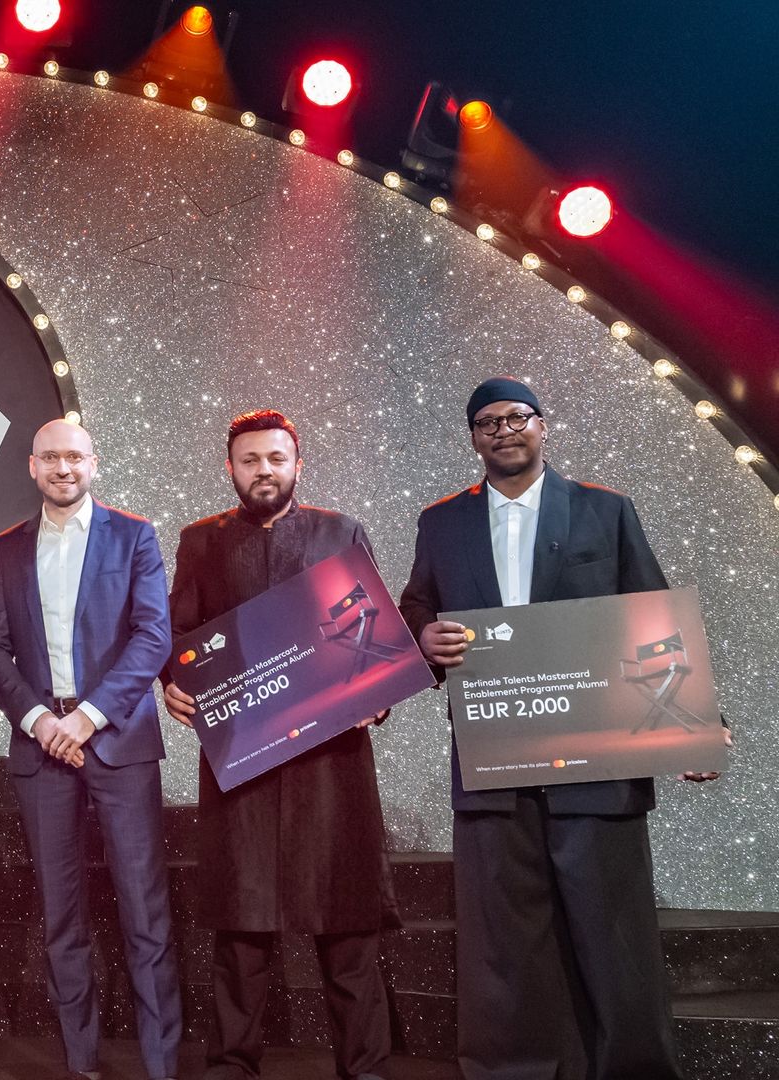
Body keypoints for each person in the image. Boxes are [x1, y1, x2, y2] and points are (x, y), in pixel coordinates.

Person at [399, 377, 724, 1080]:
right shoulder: (441, 523)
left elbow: (651, 615)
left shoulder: (605, 511)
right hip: (494, 756)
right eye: (486, 422)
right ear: (473, 438)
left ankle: (632, 1069)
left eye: (517, 417)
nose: (503, 430)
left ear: (542, 427)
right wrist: (423, 637)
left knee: (613, 935)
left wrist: (696, 723)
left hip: (597, 761)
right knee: (505, 940)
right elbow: (415, 608)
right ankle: (512, 1069)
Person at [160, 410, 397, 1080]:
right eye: (250, 460)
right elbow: (180, 633)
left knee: (347, 931)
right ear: (229, 468)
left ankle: (367, 1071)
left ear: (298, 463)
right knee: (242, 932)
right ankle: (231, 1068)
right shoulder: (200, 542)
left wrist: (376, 696)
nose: (264, 470)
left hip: (332, 765)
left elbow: (371, 632)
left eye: (275, 458)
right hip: (246, 763)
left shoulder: (339, 531)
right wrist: (170, 680)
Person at [0, 417, 179, 1080]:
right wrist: (42, 721)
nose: (63, 468)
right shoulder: (6, 548)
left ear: (92, 463)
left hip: (118, 744)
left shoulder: (135, 536)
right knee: (61, 916)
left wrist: (89, 718)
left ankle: (160, 1067)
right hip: (42, 750)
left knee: (144, 912)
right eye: (51, 458)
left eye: (75, 456)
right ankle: (83, 1066)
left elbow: (154, 637)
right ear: (32, 468)